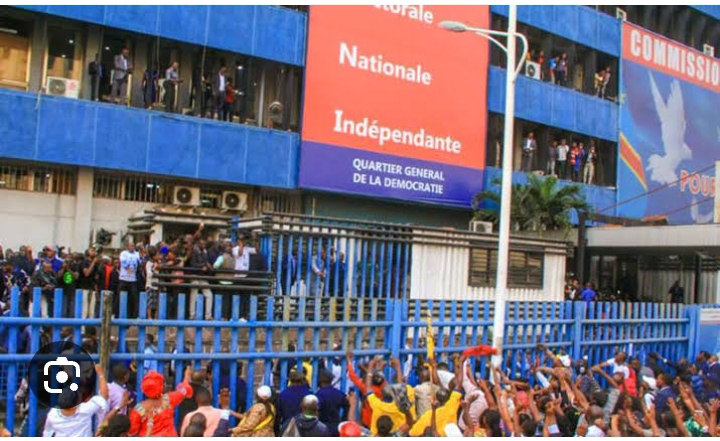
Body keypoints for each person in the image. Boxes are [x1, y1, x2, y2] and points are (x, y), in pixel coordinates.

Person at [42, 364, 109, 437]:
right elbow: (104, 396)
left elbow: (47, 433)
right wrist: (100, 374)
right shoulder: (85, 410)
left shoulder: (53, 414)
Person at [128, 367, 193, 436]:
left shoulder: (138, 409)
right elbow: (183, 391)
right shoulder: (169, 399)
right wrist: (186, 377)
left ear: (143, 388)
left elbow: (131, 431)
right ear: (161, 387)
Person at [315, 369, 350, 436]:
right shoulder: (338, 393)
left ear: (320, 381)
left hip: (322, 425)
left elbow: (316, 409)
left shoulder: (319, 394)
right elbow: (347, 405)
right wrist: (344, 418)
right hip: (336, 425)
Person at [118, 242, 140, 318]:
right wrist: (128, 267)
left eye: (133, 246)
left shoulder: (137, 254)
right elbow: (123, 262)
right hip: (124, 278)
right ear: (127, 247)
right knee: (121, 297)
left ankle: (133, 315)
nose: (132, 247)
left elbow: (139, 262)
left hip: (133, 279)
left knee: (133, 298)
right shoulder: (123, 253)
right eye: (130, 246)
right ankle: (119, 314)